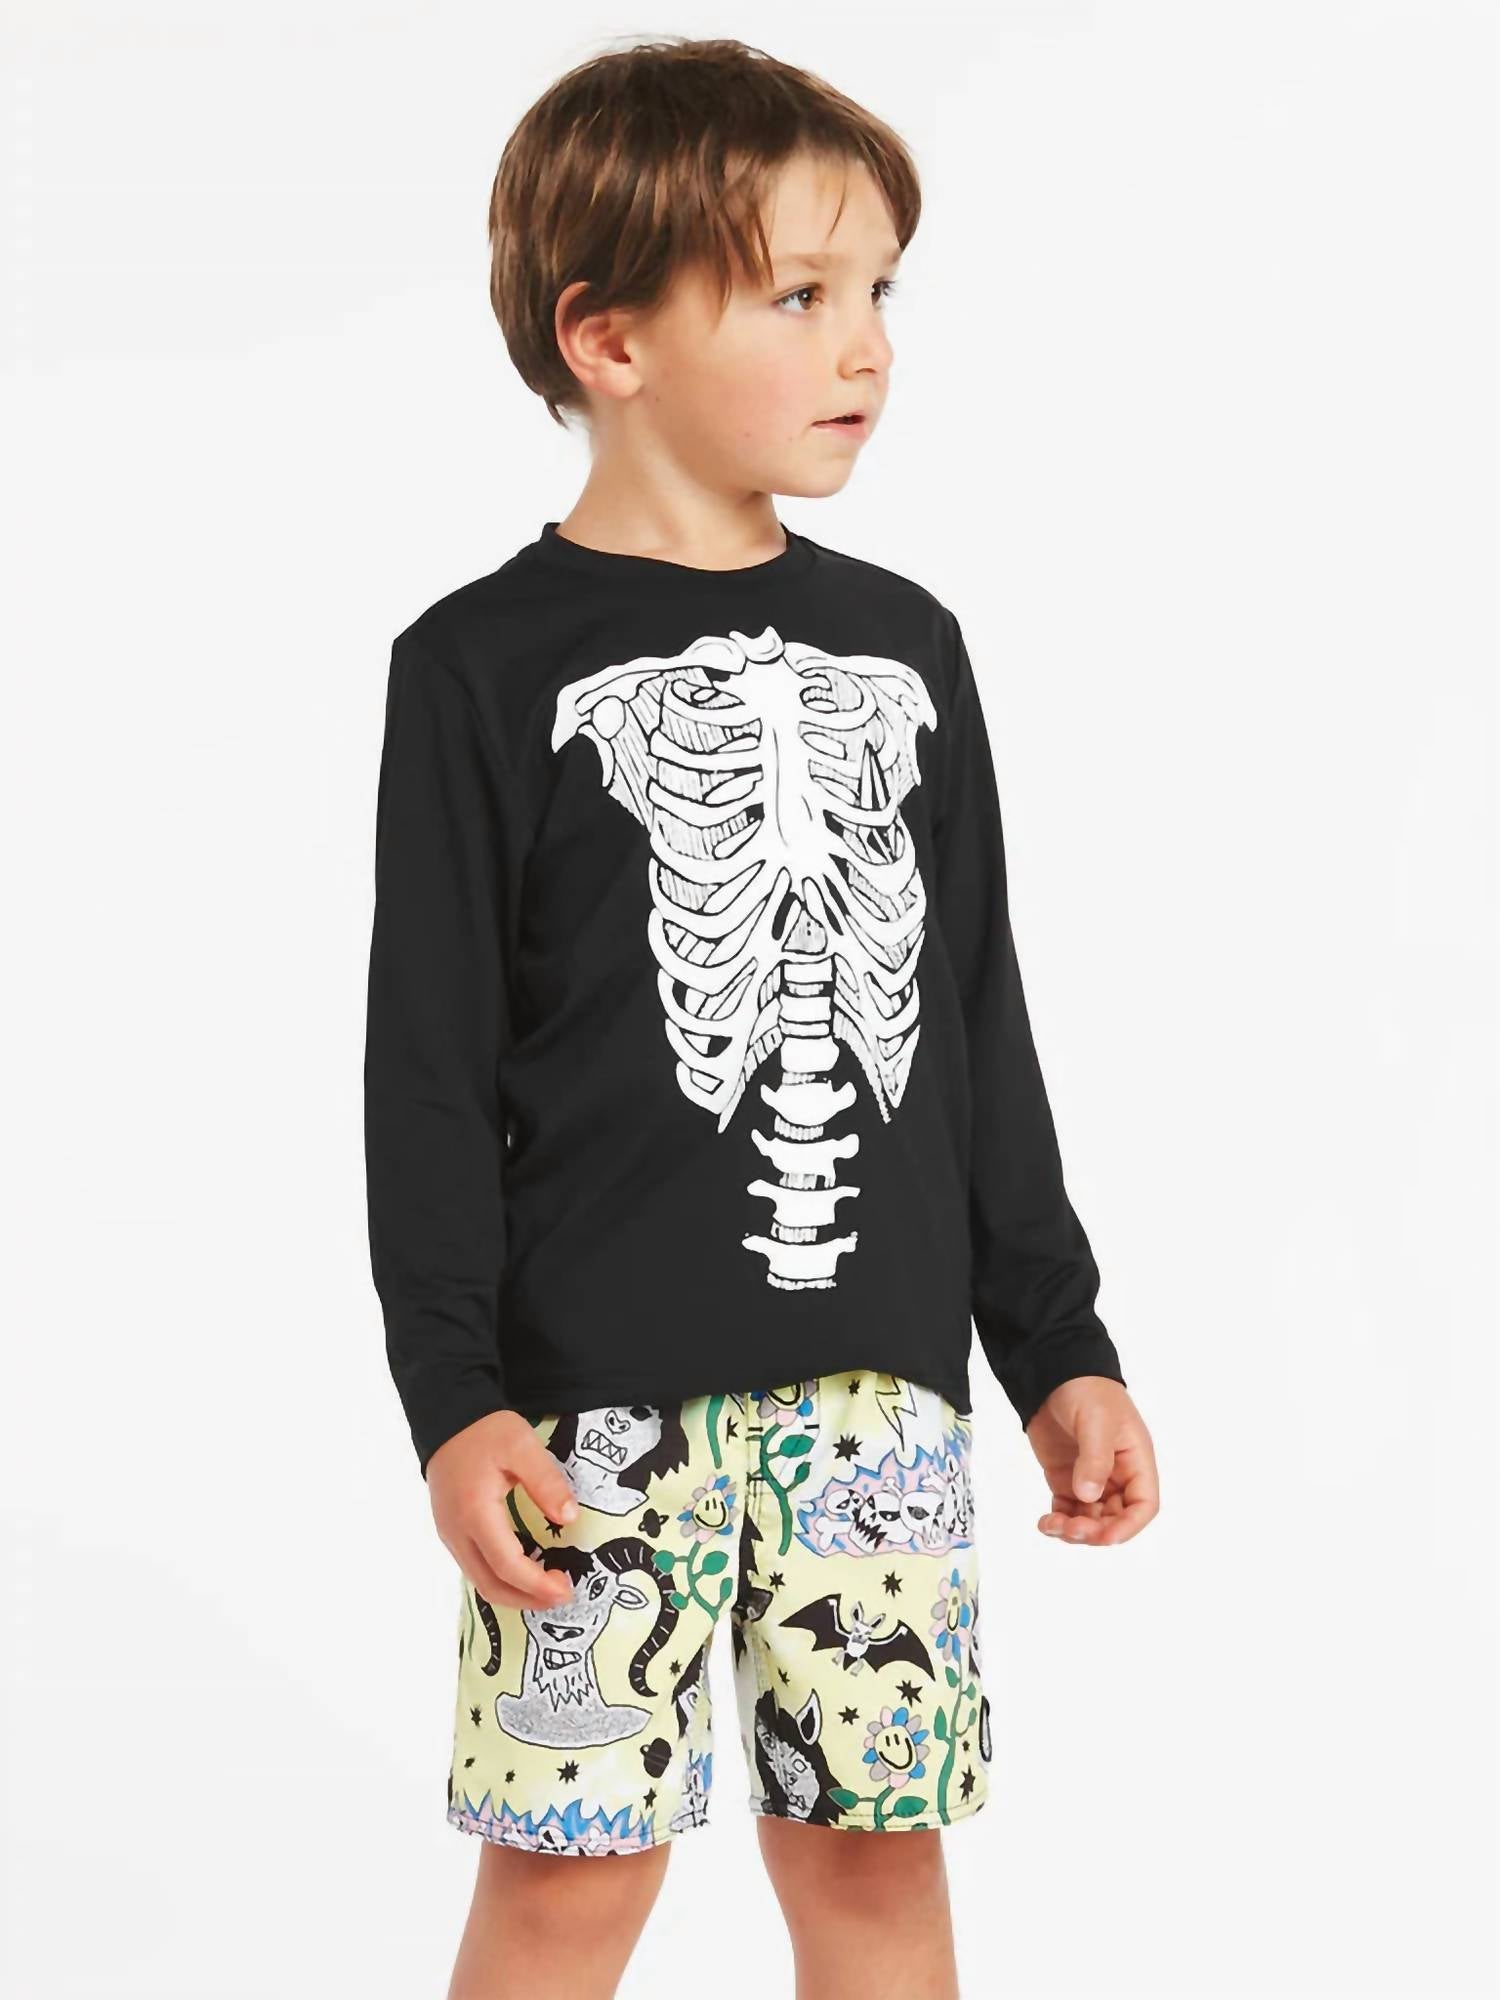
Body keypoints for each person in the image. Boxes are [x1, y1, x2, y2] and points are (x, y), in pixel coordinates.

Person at [362, 33, 1160, 2000]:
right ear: (608, 337)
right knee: (567, 1890)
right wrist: (454, 1396)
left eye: (880, 289)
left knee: (879, 1879)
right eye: (799, 295)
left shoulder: (910, 648)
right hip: (585, 1421)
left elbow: (974, 1022)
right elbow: (428, 1072)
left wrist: (1055, 1342)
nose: (864, 345)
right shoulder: (476, 668)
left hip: (878, 1402)